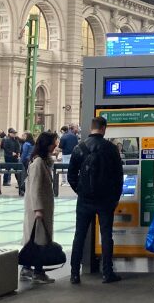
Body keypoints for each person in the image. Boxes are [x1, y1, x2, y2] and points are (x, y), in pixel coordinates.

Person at [68, 117, 124, 285]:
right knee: (106, 235)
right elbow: (118, 177)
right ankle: (107, 273)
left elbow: (71, 176)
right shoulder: (111, 148)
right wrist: (115, 198)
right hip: (106, 200)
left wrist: (81, 191)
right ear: (104, 128)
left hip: (85, 200)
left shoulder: (79, 148)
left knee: (79, 235)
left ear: (91, 128)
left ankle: (74, 274)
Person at [21, 131, 58, 284]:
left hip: (40, 208)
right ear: (47, 145)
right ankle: (37, 271)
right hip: (38, 210)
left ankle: (27, 267)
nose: (56, 145)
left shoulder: (41, 161)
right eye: (54, 143)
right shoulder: (38, 163)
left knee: (33, 240)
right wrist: (38, 209)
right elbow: (35, 187)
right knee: (39, 241)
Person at [19, 132, 35, 197]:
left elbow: (24, 153)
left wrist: (21, 161)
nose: (23, 137)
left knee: (25, 175)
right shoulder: (33, 144)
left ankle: (23, 188)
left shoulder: (26, 144)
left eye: (24, 136)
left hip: (26, 160)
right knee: (30, 174)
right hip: (32, 160)